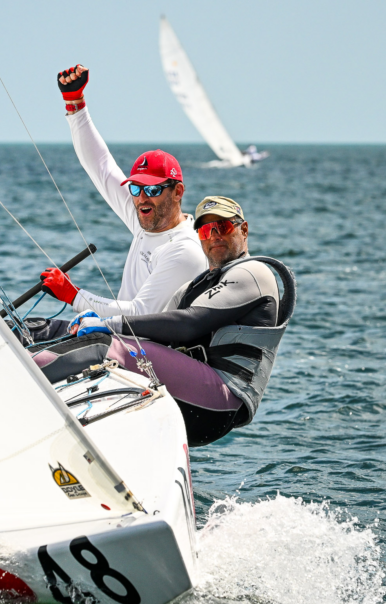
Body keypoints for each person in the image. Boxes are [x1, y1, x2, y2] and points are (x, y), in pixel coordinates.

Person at [41, 196, 295, 446]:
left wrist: (109, 325)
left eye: (224, 226)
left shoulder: (254, 272)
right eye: (206, 230)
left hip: (221, 401)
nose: (215, 235)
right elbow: (152, 329)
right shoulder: (192, 288)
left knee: (101, 347)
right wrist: (95, 320)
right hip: (191, 395)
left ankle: (21, 384)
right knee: (67, 333)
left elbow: (188, 324)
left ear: (244, 229)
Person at [32, 65, 207, 341]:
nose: (141, 197)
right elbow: (101, 167)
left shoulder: (185, 250)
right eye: (136, 188)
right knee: (28, 331)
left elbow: (141, 312)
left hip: (154, 357)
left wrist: (74, 295)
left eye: (152, 188)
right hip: (121, 339)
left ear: (177, 192)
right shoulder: (147, 219)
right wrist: (75, 103)